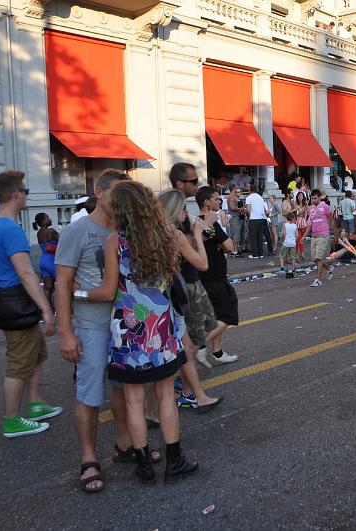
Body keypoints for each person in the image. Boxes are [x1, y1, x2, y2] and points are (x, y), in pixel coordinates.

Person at [80, 181, 197, 483]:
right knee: (166, 396)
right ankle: (175, 460)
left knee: (133, 399)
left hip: (128, 330)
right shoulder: (169, 236)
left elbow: (107, 291)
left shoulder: (114, 241)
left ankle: (143, 464)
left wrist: (78, 294)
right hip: (162, 325)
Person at [56, 169, 160, 493]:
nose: (120, 202)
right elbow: (62, 285)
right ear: (99, 192)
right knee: (89, 395)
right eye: (116, 194)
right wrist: (65, 333)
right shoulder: (77, 232)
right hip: (91, 327)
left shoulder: (125, 230)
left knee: (123, 391)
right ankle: (89, 460)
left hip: (124, 328)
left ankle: (124, 446)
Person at [0, 170, 61, 438]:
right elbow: (26, 273)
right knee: (18, 363)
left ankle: (36, 403)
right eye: (25, 191)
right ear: (16, 194)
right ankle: (12, 420)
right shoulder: (11, 229)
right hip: (17, 303)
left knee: (36, 354)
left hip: (4, 304)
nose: (27, 195)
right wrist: (46, 309)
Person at [169, 164, 221, 372]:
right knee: (187, 340)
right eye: (192, 181)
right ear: (179, 183)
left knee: (192, 336)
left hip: (189, 279)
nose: (197, 184)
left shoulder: (180, 210)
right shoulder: (175, 214)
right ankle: (186, 391)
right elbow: (199, 259)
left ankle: (188, 390)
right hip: (184, 282)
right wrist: (203, 228)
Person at [193, 187, 240, 365]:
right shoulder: (210, 222)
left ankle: (218, 352)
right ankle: (199, 347)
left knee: (215, 315)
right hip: (214, 277)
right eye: (215, 199)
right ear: (206, 202)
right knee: (228, 314)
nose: (219, 201)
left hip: (204, 275)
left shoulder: (197, 221)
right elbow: (230, 246)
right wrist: (223, 244)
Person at [305, 189, 334, 287]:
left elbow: (331, 219)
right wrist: (304, 236)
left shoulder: (325, 207)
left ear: (320, 197)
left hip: (323, 235)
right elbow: (309, 224)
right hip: (314, 235)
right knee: (315, 259)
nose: (313, 200)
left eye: (315, 198)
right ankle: (329, 268)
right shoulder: (310, 208)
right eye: (312, 198)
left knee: (319, 257)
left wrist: (335, 232)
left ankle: (318, 280)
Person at [34, 212, 59, 305]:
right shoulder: (51, 231)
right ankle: (60, 308)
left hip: (43, 261)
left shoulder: (38, 233)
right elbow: (62, 242)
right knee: (61, 286)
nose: (50, 219)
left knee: (47, 288)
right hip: (52, 261)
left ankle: (47, 310)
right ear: (44, 221)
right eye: (48, 218)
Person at [245, 184, 270, 258]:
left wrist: (248, 216)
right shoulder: (261, 198)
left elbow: (248, 210)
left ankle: (254, 254)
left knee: (253, 237)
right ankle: (260, 253)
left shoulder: (248, 198)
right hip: (261, 218)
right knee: (260, 237)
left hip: (253, 219)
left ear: (250, 190)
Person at [226, 184, 247, 255]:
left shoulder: (234, 197)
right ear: (233, 189)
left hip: (237, 217)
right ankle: (235, 251)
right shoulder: (231, 197)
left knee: (237, 234)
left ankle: (236, 250)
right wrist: (241, 209)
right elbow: (232, 208)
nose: (237, 190)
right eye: (236, 189)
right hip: (234, 217)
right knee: (235, 234)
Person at [279, 211, 298, 276]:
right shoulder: (295, 225)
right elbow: (297, 235)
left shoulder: (285, 225)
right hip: (293, 243)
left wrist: (284, 240)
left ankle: (282, 269)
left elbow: (284, 234)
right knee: (293, 257)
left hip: (286, 242)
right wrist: (294, 240)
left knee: (282, 256)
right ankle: (293, 269)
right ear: (293, 218)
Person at [294, 191, 309, 260]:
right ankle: (297, 254)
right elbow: (296, 214)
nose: (300, 197)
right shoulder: (295, 204)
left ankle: (302, 253)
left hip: (303, 222)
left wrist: (304, 221)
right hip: (297, 222)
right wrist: (302, 210)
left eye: (301, 196)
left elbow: (306, 214)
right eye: (299, 196)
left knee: (302, 239)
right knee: (298, 238)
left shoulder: (305, 205)